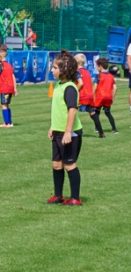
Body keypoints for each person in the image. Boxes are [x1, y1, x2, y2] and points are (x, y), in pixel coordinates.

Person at [47, 50, 83, 206]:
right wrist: (52, 127)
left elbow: (72, 110)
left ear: (64, 70)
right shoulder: (58, 85)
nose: (52, 70)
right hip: (58, 132)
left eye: (55, 67)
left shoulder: (69, 87)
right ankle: (58, 195)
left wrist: (68, 131)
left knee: (69, 164)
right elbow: (58, 110)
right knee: (56, 164)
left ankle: (75, 198)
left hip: (70, 134)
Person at [92, 58, 118, 137]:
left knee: (96, 113)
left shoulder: (98, 76)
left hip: (100, 97)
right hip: (108, 97)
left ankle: (97, 129)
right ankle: (114, 129)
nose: (96, 68)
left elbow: (95, 87)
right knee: (108, 113)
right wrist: (112, 97)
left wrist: (92, 97)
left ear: (100, 66)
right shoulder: (111, 76)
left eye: (97, 66)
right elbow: (115, 88)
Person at [0, 46, 17, 128]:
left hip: (4, 88)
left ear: (0, 56)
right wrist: (15, 88)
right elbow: (13, 77)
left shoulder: (0, 65)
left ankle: (7, 123)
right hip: (10, 88)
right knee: (6, 104)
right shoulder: (9, 65)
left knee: (3, 105)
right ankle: (9, 122)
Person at [75, 54, 96, 131]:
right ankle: (100, 131)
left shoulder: (77, 72)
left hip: (82, 96)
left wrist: (74, 90)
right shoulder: (87, 71)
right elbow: (90, 82)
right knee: (92, 113)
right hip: (89, 95)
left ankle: (73, 128)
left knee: (71, 110)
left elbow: (80, 83)